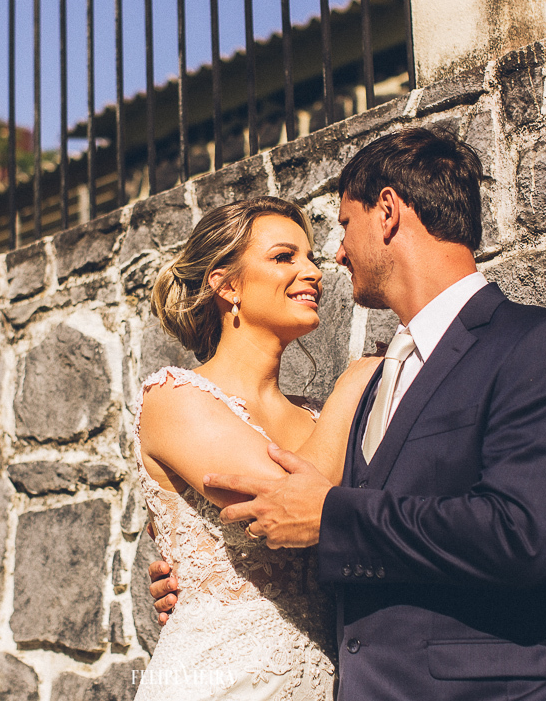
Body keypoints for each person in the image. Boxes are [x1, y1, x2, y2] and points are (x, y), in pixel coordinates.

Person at [150, 127, 546, 701]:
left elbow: (523, 534)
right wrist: (205, 581)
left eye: (341, 227)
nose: (332, 259)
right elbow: (301, 527)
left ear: (387, 212)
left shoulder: (537, 344)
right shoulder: (367, 383)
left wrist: (329, 522)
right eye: (287, 255)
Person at [132, 196, 382, 701]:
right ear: (226, 285)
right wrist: (352, 387)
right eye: (284, 257)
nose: (312, 271)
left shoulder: (315, 416)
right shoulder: (174, 398)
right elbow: (287, 509)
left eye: (310, 257)